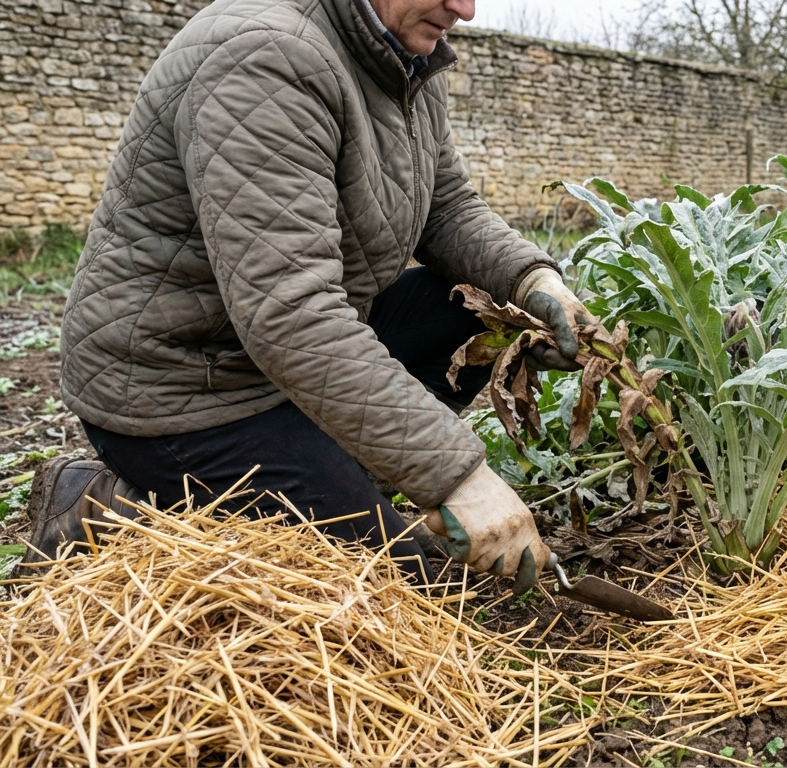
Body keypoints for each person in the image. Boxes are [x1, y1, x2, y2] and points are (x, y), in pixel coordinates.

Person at [20, 0, 586, 594]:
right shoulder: (264, 58)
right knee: (401, 593)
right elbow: (291, 312)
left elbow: (446, 207)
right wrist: (458, 477)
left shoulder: (398, 57)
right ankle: (106, 508)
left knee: (477, 313)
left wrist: (533, 283)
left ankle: (329, 487)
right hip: (185, 387)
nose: (465, 10)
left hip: (279, 359)